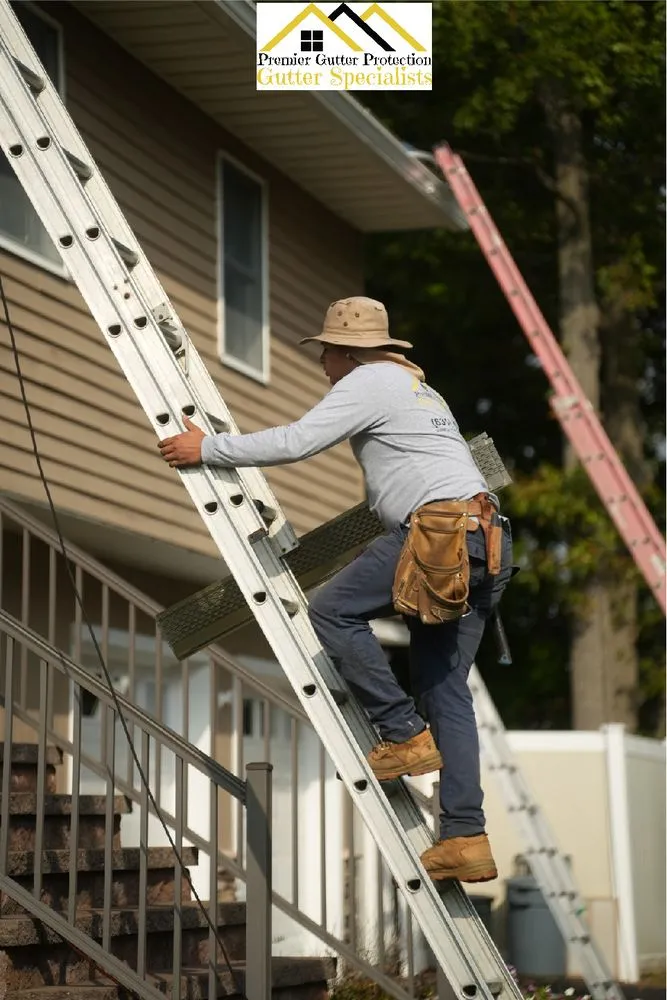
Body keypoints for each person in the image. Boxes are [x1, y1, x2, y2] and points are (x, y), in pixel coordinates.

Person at [158, 296, 514, 883]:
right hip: (486, 542)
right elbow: (408, 475)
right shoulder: (421, 390)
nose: (322, 365)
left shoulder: (370, 380)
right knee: (446, 690)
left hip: (439, 534)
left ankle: (403, 734)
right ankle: (465, 837)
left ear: (347, 352)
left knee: (331, 611)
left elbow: (297, 442)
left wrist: (209, 449)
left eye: (325, 353)